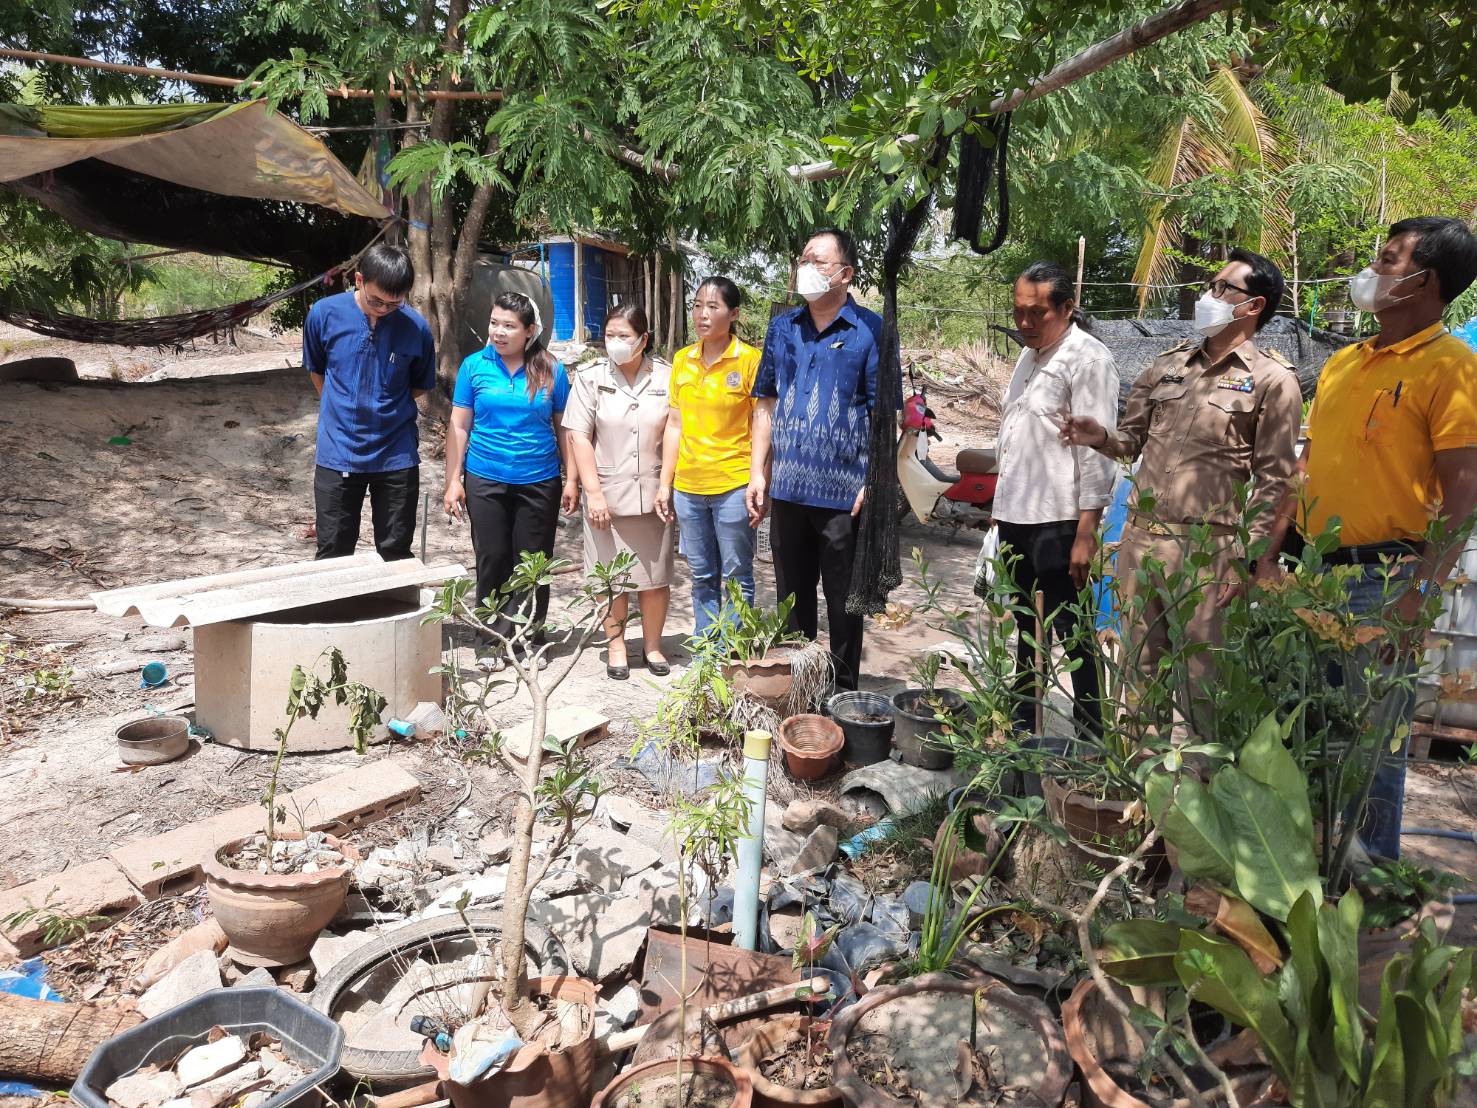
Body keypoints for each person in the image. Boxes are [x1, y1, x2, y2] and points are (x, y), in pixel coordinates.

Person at [1263, 217, 1477, 859]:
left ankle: (1370, 880)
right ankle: (1303, 875)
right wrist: (1268, 555)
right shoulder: (1342, 363)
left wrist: (1419, 597)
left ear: (1425, 280)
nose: (1372, 271)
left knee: (1371, 740)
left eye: (1388, 260)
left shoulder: (1453, 370)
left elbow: (1464, 497)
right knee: (1301, 730)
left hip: (1383, 586)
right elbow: (1307, 469)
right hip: (1315, 574)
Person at [1060, 248, 1301, 729]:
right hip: (1141, 539)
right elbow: (1131, 443)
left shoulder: (1273, 381)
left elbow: (1276, 481)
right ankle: (1138, 797)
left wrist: (1248, 559)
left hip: (1208, 551)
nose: (1208, 296)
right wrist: (1100, 436)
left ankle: (1193, 794)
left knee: (1200, 686)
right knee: (1135, 677)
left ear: (1252, 306)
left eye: (1221, 288)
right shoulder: (1168, 366)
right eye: (1211, 286)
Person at [748, 228, 891, 691]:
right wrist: (757, 472)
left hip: (844, 496)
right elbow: (766, 403)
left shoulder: (871, 330)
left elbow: (884, 416)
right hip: (788, 491)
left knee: (844, 602)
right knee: (792, 601)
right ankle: (801, 692)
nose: (806, 267)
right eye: (803, 258)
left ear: (845, 274)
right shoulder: (782, 327)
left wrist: (874, 482)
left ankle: (845, 695)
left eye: (817, 260)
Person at [991, 261, 1119, 740]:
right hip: (1017, 517)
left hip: (1061, 523)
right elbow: (1018, 437)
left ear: (1066, 309)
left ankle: (1091, 741)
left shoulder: (1088, 359)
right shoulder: (1030, 356)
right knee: (1026, 630)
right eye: (1019, 311)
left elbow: (1097, 452)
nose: (1024, 322)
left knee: (1073, 633)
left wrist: (1086, 533)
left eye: (1037, 313)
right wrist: (997, 512)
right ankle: (1026, 728)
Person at [443, 292, 575, 666]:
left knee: (533, 560)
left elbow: (563, 427)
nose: (499, 332)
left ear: (529, 331)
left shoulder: (551, 369)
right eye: (494, 323)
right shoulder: (473, 367)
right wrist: (454, 480)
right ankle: (489, 638)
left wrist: (572, 479)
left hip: (539, 478)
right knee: (492, 557)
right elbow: (459, 426)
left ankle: (527, 637)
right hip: (485, 476)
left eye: (509, 326)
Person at [304, 243, 436, 561]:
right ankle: (336, 612)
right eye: (376, 300)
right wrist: (342, 405)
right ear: (359, 280)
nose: (383, 309)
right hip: (338, 452)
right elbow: (317, 371)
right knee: (333, 550)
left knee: (395, 550)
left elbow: (419, 385)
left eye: (394, 304)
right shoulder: (324, 314)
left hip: (396, 454)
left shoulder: (416, 327)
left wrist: (383, 404)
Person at [565, 305, 675, 680]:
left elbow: (676, 430)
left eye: (624, 336)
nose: (615, 343)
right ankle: (615, 645)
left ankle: (653, 645)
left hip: (655, 492)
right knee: (609, 576)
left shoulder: (668, 375)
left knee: (655, 575)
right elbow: (578, 434)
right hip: (606, 493)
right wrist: (590, 492)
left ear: (644, 339)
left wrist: (667, 484)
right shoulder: (590, 377)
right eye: (610, 335)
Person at [657, 278, 762, 639]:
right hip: (688, 487)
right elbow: (674, 425)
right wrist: (664, 484)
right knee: (701, 574)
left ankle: (734, 652)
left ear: (733, 314)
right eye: (698, 304)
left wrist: (761, 478)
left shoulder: (750, 361)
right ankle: (707, 650)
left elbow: (763, 424)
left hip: (734, 483)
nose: (702, 313)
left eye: (713, 306)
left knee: (736, 574)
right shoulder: (683, 359)